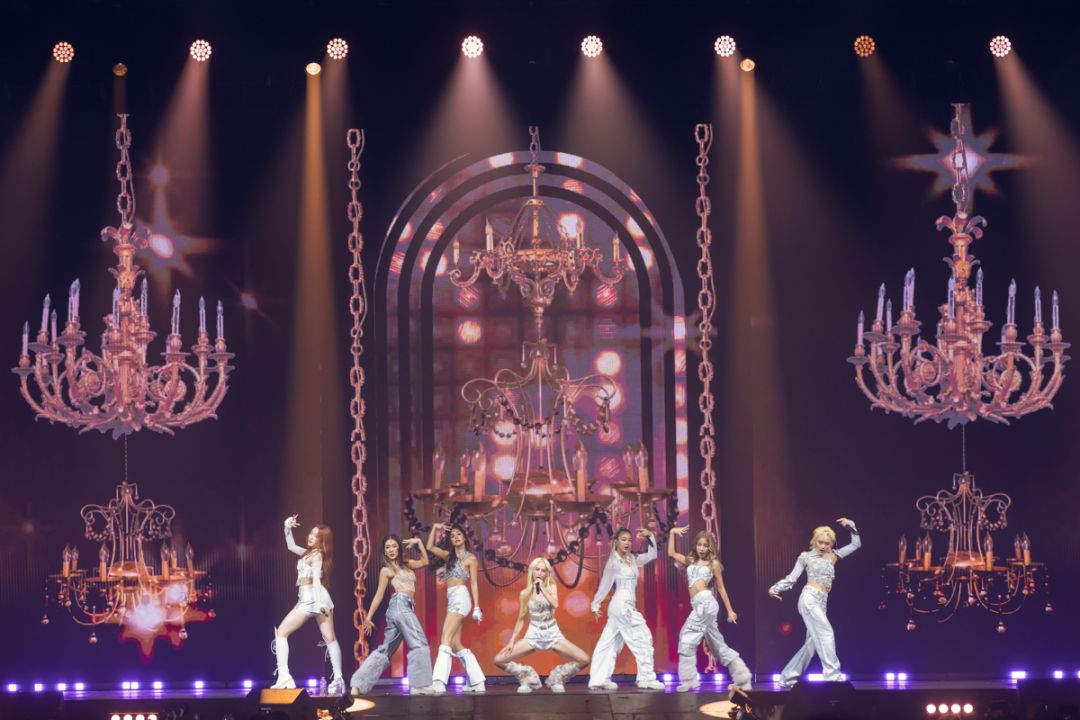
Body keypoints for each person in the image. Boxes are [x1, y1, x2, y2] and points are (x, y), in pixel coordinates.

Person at [769, 518, 861, 687]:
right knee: (826, 633)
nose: (823, 546)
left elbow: (856, 544)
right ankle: (833, 675)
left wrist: (851, 526)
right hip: (809, 598)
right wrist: (775, 588)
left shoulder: (833, 556)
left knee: (811, 644)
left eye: (827, 543)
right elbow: (792, 578)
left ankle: (787, 677)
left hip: (822, 601)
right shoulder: (805, 557)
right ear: (814, 541)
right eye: (820, 542)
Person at [667, 527, 752, 692]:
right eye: (699, 545)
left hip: (705, 604)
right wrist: (672, 533)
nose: (701, 548)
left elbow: (721, 588)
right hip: (699, 604)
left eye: (705, 545)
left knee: (686, 637)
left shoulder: (713, 564)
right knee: (718, 646)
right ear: (695, 545)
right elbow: (671, 553)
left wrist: (730, 610)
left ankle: (689, 680)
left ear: (710, 547)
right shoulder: (691, 561)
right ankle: (743, 680)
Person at [349, 534, 435, 696]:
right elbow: (379, 595)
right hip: (400, 605)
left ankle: (358, 685)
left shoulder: (407, 564)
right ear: (384, 551)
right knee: (419, 642)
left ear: (399, 548)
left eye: (394, 546)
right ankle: (420, 685)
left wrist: (418, 542)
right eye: (387, 547)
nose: (391, 550)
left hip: (400, 608)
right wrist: (368, 618)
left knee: (385, 649)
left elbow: (425, 562)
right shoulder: (386, 570)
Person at [493, 557, 591, 693]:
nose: (539, 573)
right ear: (532, 571)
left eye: (543, 571)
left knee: (584, 659)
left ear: (547, 573)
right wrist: (511, 641)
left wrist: (542, 588)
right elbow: (521, 619)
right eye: (537, 569)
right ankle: (528, 677)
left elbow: (555, 604)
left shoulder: (551, 587)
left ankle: (557, 678)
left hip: (552, 633)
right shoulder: (525, 593)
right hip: (533, 634)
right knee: (498, 660)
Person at [272, 515, 344, 694]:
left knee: (282, 633)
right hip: (308, 599)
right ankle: (337, 679)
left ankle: (286, 676)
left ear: (322, 540)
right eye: (311, 533)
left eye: (316, 535)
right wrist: (287, 527)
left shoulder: (317, 555)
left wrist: (319, 604)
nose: (311, 537)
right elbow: (291, 546)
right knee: (329, 638)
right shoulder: (308, 553)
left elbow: (317, 581)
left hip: (314, 599)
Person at [587, 527, 664, 691]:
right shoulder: (614, 563)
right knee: (643, 637)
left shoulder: (632, 559)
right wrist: (595, 604)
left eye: (629, 540)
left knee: (609, 643)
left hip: (624, 606)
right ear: (616, 542)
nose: (627, 543)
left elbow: (652, 555)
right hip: (622, 606)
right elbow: (605, 584)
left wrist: (650, 536)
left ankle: (599, 679)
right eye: (623, 540)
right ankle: (646, 678)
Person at [426, 522, 486, 693]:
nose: (456, 537)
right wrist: (435, 528)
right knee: (455, 643)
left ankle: (438, 681)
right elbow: (430, 547)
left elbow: (473, 583)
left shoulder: (470, 558)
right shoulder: (448, 556)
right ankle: (477, 681)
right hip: (452, 599)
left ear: (464, 537)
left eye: (459, 534)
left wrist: (477, 607)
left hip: (461, 598)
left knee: (445, 638)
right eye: (452, 536)